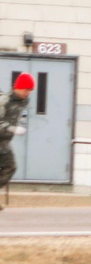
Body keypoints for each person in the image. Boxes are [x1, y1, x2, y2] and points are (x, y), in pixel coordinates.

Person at [0, 73, 33, 210]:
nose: (27, 93)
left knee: (10, 167)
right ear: (17, 87)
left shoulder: (23, 101)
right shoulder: (4, 101)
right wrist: (13, 129)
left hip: (4, 142)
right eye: (25, 89)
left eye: (30, 90)